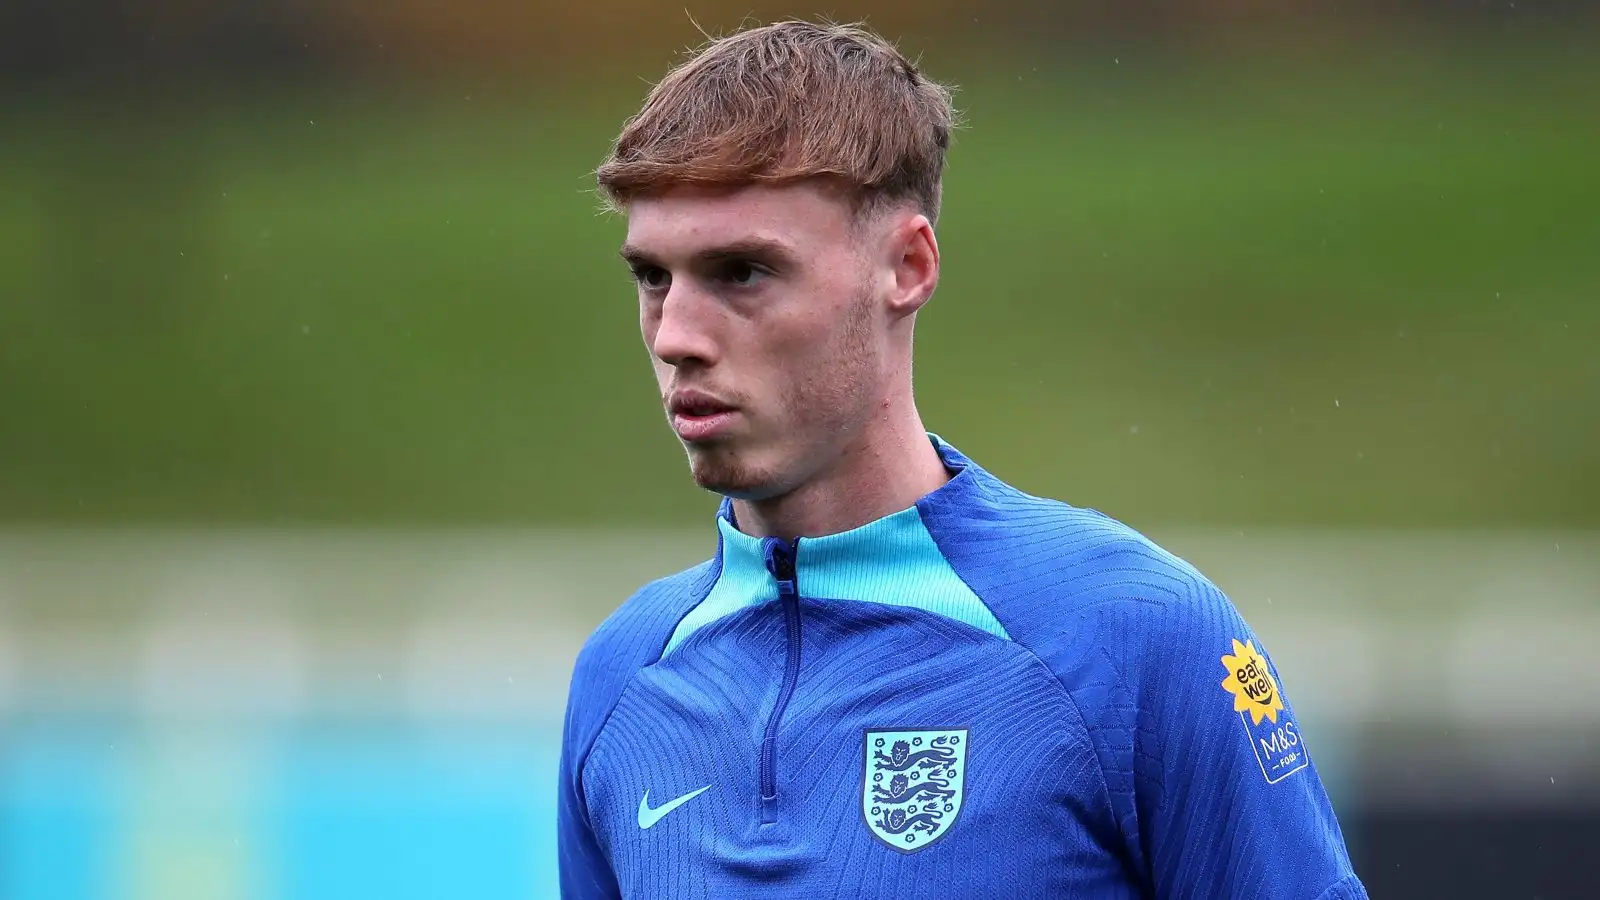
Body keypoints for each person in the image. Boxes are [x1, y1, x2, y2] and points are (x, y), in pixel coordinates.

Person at [558, 19, 1366, 899]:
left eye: (743, 272)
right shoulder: (623, 677)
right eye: (652, 278)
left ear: (906, 266)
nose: (676, 335)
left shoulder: (1135, 638)